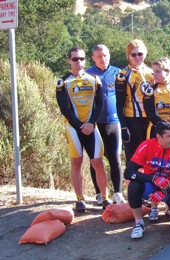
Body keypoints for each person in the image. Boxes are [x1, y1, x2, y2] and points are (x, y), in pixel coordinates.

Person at [57, 47, 109, 212]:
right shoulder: (62, 82)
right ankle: (80, 199)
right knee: (76, 162)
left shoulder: (95, 79)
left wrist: (91, 123)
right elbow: (64, 108)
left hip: (91, 126)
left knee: (98, 162)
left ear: (85, 60)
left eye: (81, 58)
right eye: (74, 59)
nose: (78, 62)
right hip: (74, 128)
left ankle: (105, 198)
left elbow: (100, 104)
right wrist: (80, 125)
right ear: (69, 61)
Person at [124, 121, 170, 239]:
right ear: (159, 136)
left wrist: (164, 192)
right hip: (151, 186)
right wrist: (153, 178)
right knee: (134, 186)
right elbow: (128, 173)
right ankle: (139, 223)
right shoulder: (146, 146)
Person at [86, 44, 125, 206]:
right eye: (100, 56)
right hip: (95, 123)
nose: (103, 58)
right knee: (96, 160)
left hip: (114, 122)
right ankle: (99, 194)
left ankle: (118, 193)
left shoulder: (118, 73)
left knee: (115, 159)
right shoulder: (87, 74)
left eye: (106, 55)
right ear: (93, 58)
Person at [116, 39, 154, 160]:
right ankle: (131, 179)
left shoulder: (152, 73)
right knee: (133, 158)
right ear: (129, 56)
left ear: (145, 53)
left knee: (150, 156)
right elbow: (119, 103)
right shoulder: (123, 74)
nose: (137, 57)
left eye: (140, 54)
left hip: (150, 119)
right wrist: (123, 127)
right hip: (132, 120)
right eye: (134, 54)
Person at [144, 58, 170, 140]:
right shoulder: (150, 90)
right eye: (154, 71)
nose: (154, 74)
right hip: (156, 131)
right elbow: (150, 113)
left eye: (158, 71)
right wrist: (165, 128)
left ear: (167, 72)